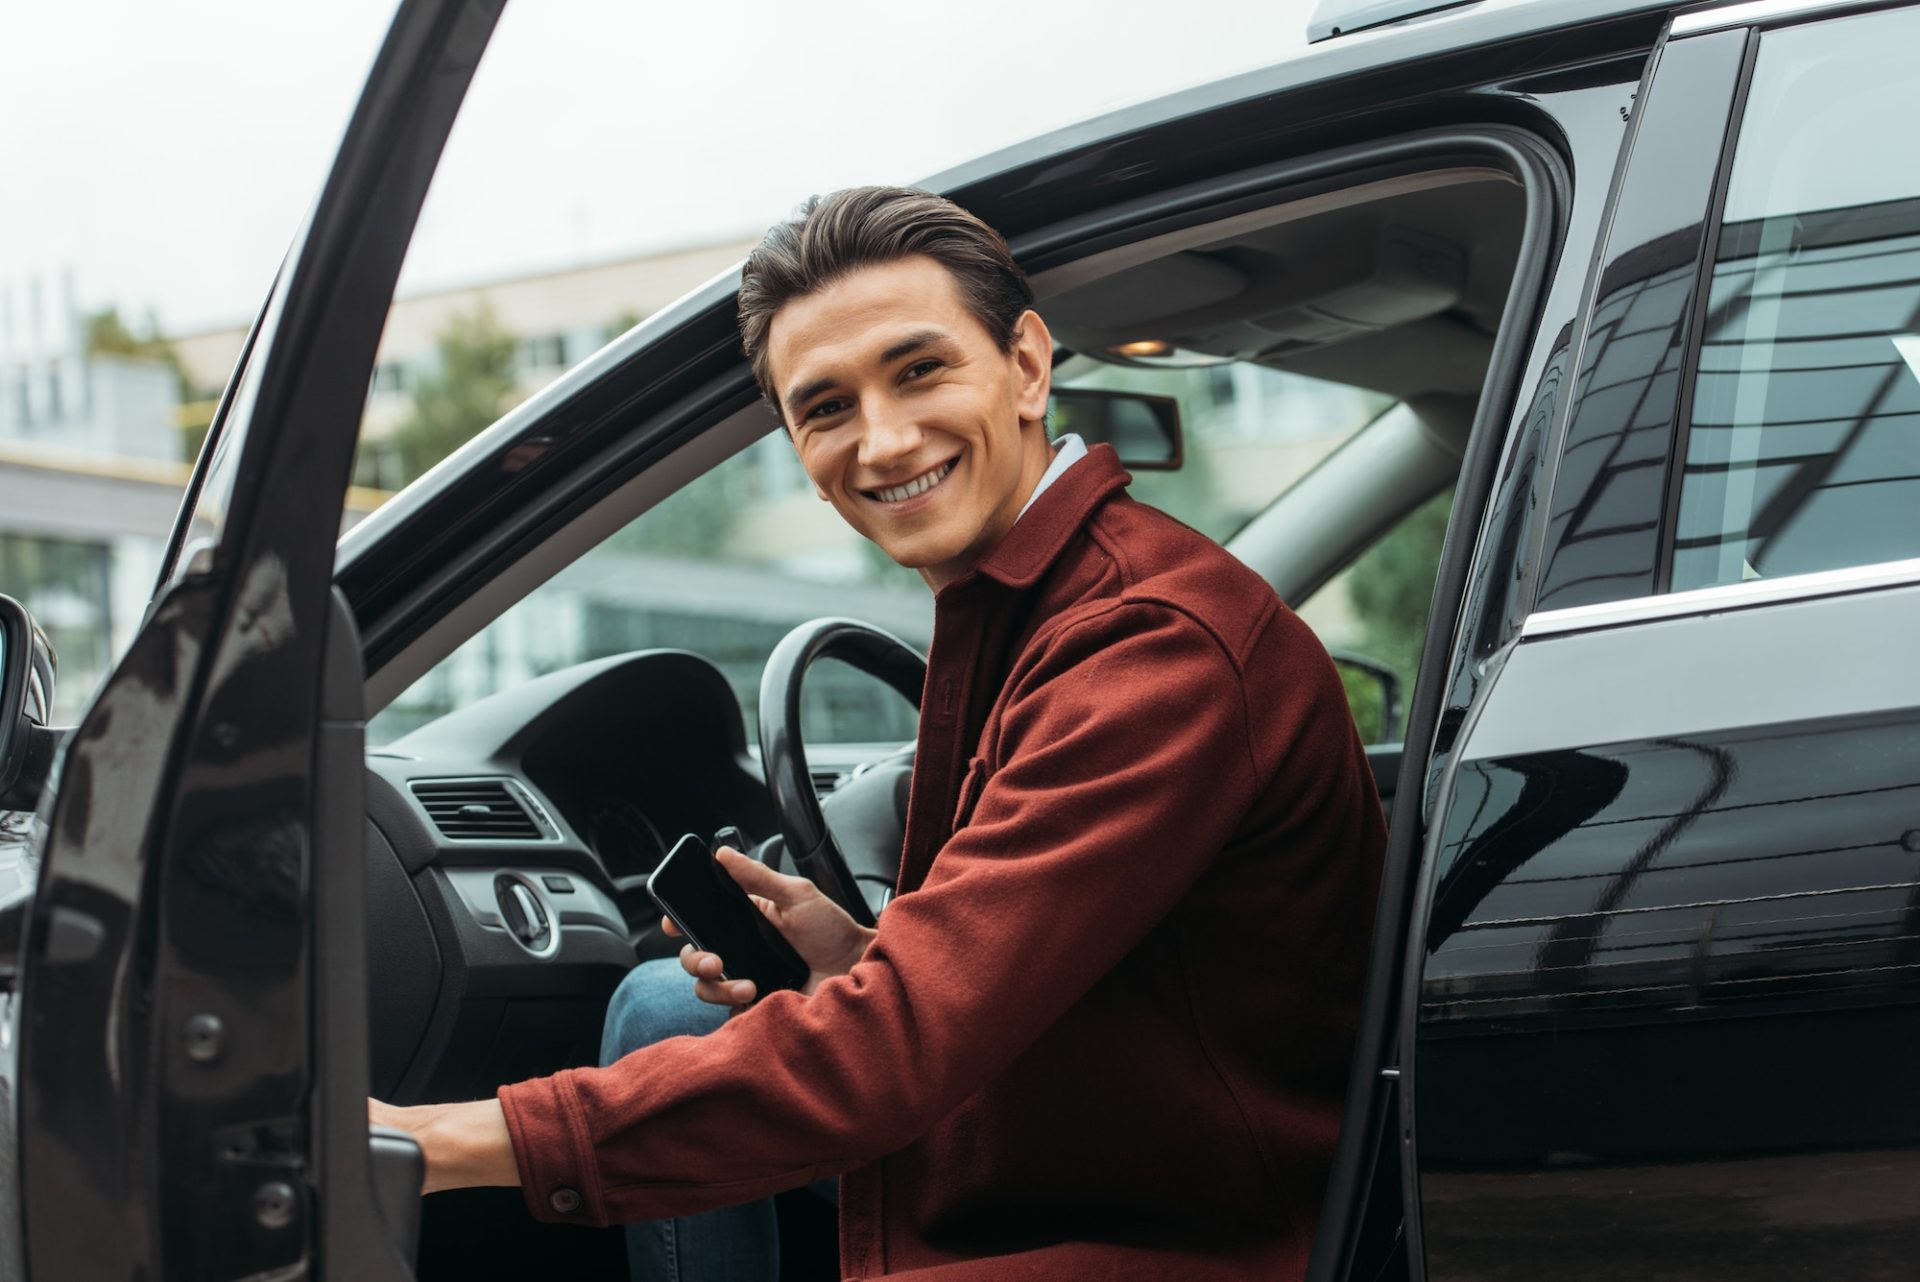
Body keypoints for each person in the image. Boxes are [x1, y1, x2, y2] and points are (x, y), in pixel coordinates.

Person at [372, 186, 1387, 1281]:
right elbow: (1042, 990)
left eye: (921, 370)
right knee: (668, 1006)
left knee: (678, 1022)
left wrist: (420, 1141)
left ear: (1028, 367)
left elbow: (895, 1054)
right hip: (1093, 1143)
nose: (885, 439)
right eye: (827, 407)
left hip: (1167, 1228)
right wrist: (861, 957)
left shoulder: (1147, 646)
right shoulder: (1036, 607)